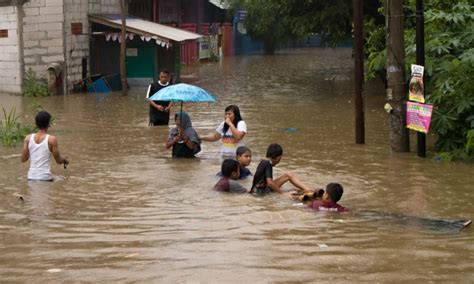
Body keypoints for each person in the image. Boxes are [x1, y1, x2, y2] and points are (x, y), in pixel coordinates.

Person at [21, 111, 69, 181]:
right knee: (64, 179)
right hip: (45, 177)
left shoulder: (28, 138)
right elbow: (58, 161)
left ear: (36, 124)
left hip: (31, 177)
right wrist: (65, 160)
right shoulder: (52, 139)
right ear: (49, 124)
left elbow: (23, 159)